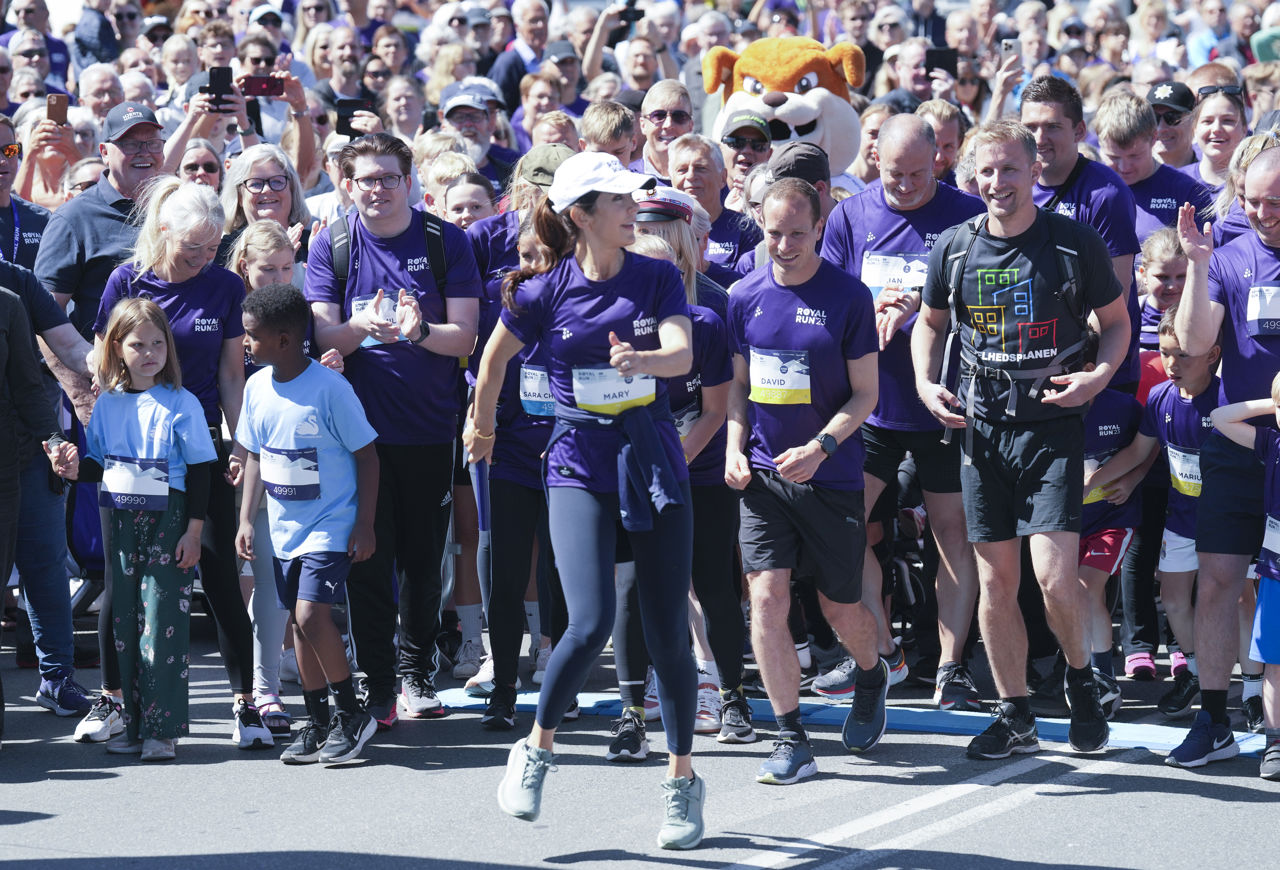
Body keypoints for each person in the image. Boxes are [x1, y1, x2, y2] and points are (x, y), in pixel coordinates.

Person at [466, 151, 704, 849]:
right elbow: (492, 362)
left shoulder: (657, 275)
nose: (635, 209)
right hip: (575, 460)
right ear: (582, 215)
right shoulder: (543, 290)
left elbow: (682, 354)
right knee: (589, 620)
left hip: (651, 457)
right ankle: (536, 750)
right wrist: (482, 426)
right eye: (620, 201)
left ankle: (682, 783)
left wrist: (645, 362)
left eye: (634, 199)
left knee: (667, 630)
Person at [913, 119, 1130, 760]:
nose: (997, 182)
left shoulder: (1073, 243)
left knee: (1055, 579)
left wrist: (1097, 378)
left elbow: (1117, 325)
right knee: (996, 581)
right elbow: (930, 324)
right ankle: (1014, 714)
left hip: (1053, 430)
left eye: (1010, 168)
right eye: (986, 170)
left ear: (1035, 170)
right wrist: (926, 383)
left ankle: (1081, 681)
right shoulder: (954, 247)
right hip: (981, 433)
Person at [91, 177, 274, 750]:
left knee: (219, 575)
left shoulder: (224, 285)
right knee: (120, 582)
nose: (203, 258)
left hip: (199, 449)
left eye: (213, 247)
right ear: (163, 231)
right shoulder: (126, 280)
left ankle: (245, 702)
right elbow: (103, 359)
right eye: (193, 247)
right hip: (134, 457)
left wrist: (242, 444)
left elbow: (231, 374)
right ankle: (114, 700)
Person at [305, 132, 480, 728]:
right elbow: (322, 337)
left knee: (424, 560)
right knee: (367, 558)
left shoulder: (444, 240)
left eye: (388, 178)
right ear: (347, 185)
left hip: (429, 428)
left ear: (409, 183)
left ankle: (415, 672)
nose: (377, 190)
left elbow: (465, 335)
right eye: (366, 180)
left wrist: (418, 332)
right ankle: (379, 681)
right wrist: (360, 327)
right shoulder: (332, 243)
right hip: (357, 437)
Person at [819, 114, 986, 710]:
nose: (908, 186)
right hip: (870, 408)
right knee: (843, 530)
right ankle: (883, 651)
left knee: (952, 535)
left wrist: (923, 306)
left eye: (919, 173)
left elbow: (986, 302)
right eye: (895, 175)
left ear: (939, 160)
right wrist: (867, 309)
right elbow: (826, 301)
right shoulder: (850, 216)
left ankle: (950, 667)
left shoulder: (968, 214)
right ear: (874, 161)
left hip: (944, 406)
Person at [725, 177, 886, 784]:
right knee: (766, 597)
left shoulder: (849, 297)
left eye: (797, 233)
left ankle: (870, 672)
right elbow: (739, 388)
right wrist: (734, 448)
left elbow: (866, 394)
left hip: (830, 475)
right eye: (774, 233)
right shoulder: (743, 295)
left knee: (840, 607)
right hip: (765, 478)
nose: (785, 245)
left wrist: (822, 447)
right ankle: (790, 737)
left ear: (820, 227)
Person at [234, 283, 381, 765]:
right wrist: (246, 519)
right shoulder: (256, 388)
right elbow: (256, 456)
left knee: (311, 615)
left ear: (284, 339)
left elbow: (368, 456)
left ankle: (351, 715)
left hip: (330, 526)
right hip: (283, 531)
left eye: (252, 335)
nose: (245, 342)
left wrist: (364, 524)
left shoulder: (331, 389)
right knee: (298, 626)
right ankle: (318, 721)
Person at [1168, 148, 1280, 767]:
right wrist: (1197, 266)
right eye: (1253, 202)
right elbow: (1193, 341)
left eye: (1276, 204)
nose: (1263, 214)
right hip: (1239, 446)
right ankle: (1214, 720)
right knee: (1216, 581)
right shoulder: (1230, 257)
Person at [71, 298, 219, 761]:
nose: (150, 353)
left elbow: (201, 471)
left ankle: (162, 728)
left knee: (162, 621)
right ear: (117, 347)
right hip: (120, 518)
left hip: (168, 518)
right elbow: (97, 463)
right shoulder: (108, 404)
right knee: (125, 621)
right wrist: (72, 468)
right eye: (138, 345)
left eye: (158, 343)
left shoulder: (182, 402)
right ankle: (132, 723)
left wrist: (193, 532)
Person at [1086, 305, 1221, 721]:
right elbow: (1138, 451)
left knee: (1236, 600)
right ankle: (1194, 671)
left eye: (1183, 354)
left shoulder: (1227, 397)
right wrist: (1091, 484)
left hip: (1228, 522)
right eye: (1165, 353)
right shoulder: (1160, 397)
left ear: (1213, 354)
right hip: (1181, 519)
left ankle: (1250, 688)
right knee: (1174, 599)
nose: (1171, 363)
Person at [1, 286, 75, 745]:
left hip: (14, 463)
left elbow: (30, 388)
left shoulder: (9, 299)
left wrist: (55, 442)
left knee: (44, 564)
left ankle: (58, 679)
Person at [1211, 372, 1280, 780]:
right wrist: (1272, 403)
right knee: (1275, 663)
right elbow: (1221, 417)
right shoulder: (1272, 443)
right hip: (1276, 573)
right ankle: (1275, 743)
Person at [1093, 91, 1214, 244]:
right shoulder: (1087, 188)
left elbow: (1206, 252)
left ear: (1154, 138)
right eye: (1114, 157)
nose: (1124, 167)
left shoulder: (1187, 192)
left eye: (1134, 156)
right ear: (1099, 143)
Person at [669, 133, 762, 279]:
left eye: (701, 168)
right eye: (682, 170)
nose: (691, 176)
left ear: (723, 178)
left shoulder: (747, 230)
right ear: (671, 179)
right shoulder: (661, 229)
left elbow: (751, 287)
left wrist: (706, 267)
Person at [630, 80, 695, 186]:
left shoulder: (710, 179)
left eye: (679, 116)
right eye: (658, 116)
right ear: (643, 125)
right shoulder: (628, 179)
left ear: (691, 125)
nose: (668, 124)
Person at [1146, 82, 1197, 171]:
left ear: (1194, 121)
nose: (1160, 128)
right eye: (1153, 118)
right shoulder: (1132, 174)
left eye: (1172, 117)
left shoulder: (1210, 175)